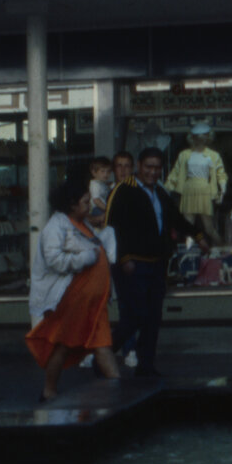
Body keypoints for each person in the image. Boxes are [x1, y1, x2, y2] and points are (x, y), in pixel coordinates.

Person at [26, 172, 120, 401]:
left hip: (93, 302)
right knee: (63, 344)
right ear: (71, 204)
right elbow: (54, 260)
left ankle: (120, 393)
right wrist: (83, 259)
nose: (89, 206)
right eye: (86, 202)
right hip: (73, 300)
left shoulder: (81, 222)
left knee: (102, 345)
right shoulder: (56, 227)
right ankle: (49, 390)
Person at [106, 146, 189, 378]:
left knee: (153, 316)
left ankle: (146, 365)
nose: (153, 172)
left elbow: (176, 218)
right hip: (132, 265)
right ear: (139, 168)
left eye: (157, 168)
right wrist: (124, 257)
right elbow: (112, 227)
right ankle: (104, 354)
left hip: (156, 264)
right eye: (148, 167)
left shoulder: (159, 193)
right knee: (136, 315)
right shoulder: (124, 190)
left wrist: (199, 236)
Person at [102, 149, 139, 366]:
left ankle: (128, 347)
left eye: (127, 165)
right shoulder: (110, 192)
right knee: (124, 304)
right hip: (116, 257)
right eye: (119, 166)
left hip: (132, 257)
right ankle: (126, 347)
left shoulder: (137, 191)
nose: (123, 170)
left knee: (132, 305)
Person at [165, 123, 227, 246]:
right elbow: (175, 174)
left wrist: (222, 191)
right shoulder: (184, 155)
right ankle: (189, 256)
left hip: (204, 190)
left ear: (207, 137)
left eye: (203, 136)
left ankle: (222, 248)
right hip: (189, 189)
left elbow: (221, 174)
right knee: (189, 226)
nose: (200, 139)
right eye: (197, 136)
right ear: (192, 137)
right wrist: (165, 190)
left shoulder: (213, 156)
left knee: (209, 228)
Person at [87, 155, 114, 232]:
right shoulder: (95, 184)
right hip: (96, 208)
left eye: (108, 171)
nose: (106, 174)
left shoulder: (102, 183)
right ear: (94, 173)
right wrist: (107, 209)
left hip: (101, 207)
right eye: (102, 171)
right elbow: (96, 200)